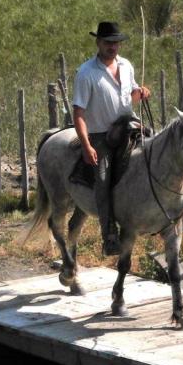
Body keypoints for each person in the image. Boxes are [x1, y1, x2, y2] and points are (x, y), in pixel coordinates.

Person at [72, 21, 151, 256]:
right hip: (101, 135)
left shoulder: (126, 66)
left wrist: (140, 93)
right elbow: (78, 113)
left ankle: (177, 214)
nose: (112, 47)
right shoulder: (86, 73)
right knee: (103, 178)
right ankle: (109, 235)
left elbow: (131, 97)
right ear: (98, 42)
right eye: (108, 42)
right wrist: (86, 145)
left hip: (129, 126)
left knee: (161, 150)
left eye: (116, 43)